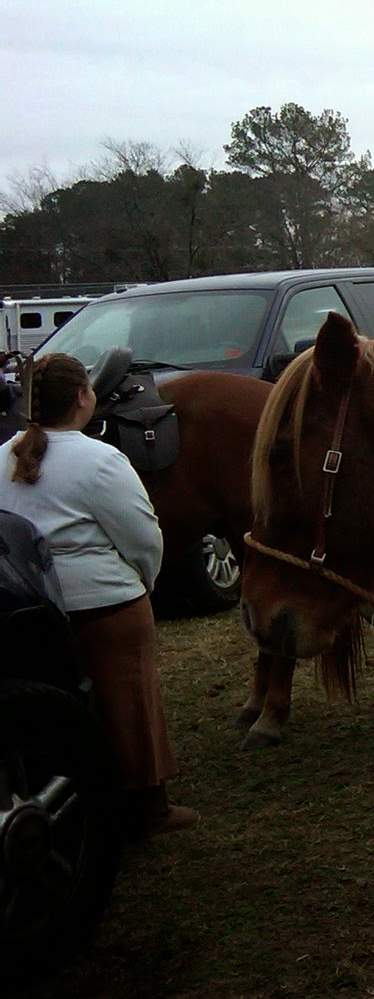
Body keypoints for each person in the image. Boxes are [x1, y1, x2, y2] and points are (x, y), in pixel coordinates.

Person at [0, 353, 197, 838]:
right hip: (106, 607)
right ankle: (148, 808)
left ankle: (75, 808)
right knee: (130, 703)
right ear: (83, 397)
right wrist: (143, 584)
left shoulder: (2, 455)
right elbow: (142, 537)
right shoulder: (101, 459)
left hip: (29, 608)